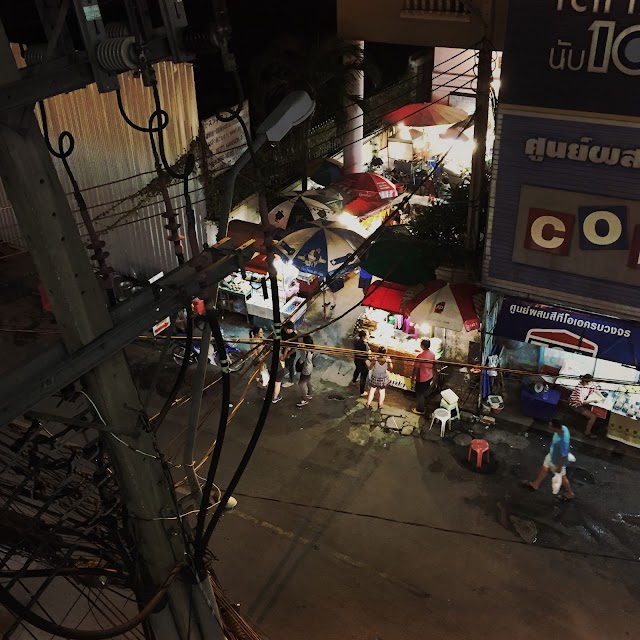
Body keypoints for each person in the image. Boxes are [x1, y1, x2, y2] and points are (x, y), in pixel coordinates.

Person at [526, 419, 575, 501]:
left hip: (557, 461)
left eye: (550, 426)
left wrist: (559, 467)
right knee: (544, 469)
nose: (549, 427)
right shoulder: (564, 428)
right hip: (552, 455)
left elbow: (564, 455)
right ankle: (535, 484)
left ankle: (570, 493)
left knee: (563, 477)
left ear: (555, 428)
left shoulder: (562, 441)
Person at [569, 373, 602, 438]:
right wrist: (593, 400)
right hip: (576, 405)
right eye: (589, 382)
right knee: (593, 416)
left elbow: (594, 388)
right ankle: (587, 432)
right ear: (585, 382)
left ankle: (589, 421)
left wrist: (602, 397)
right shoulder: (579, 389)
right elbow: (582, 402)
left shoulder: (587, 383)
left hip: (582, 402)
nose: (591, 384)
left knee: (592, 410)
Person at [412, 339, 436, 415]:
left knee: (419, 393)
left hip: (421, 378)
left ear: (422, 346)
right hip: (429, 376)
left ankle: (420, 409)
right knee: (426, 390)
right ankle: (426, 404)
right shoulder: (432, 354)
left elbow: (415, 368)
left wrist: (412, 377)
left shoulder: (420, 356)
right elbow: (434, 364)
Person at [296, 336, 315, 408]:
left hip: (306, 368)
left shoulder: (305, 351)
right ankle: (310, 394)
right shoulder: (312, 348)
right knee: (308, 380)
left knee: (301, 384)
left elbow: (302, 360)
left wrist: (301, 350)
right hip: (310, 367)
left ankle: (305, 399)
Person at [351, 329, 371, 396]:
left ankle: (353, 381)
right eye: (368, 335)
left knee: (357, 369)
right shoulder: (365, 345)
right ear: (363, 336)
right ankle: (362, 392)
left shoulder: (357, 340)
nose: (369, 336)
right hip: (363, 362)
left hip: (357, 360)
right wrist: (369, 353)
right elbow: (367, 356)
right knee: (363, 376)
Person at [281, 321, 298, 387]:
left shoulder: (294, 336)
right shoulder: (283, 331)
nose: (285, 329)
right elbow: (281, 338)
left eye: (286, 329)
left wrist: (289, 354)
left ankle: (291, 381)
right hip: (284, 350)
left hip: (291, 354)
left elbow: (295, 348)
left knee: (290, 366)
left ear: (290, 329)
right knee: (285, 364)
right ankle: (292, 372)